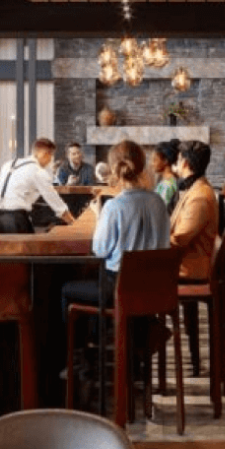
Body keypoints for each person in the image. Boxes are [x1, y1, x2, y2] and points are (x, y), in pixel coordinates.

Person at [62, 140, 170, 377]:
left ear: (113, 168)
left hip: (118, 289)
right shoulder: (159, 204)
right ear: (142, 165)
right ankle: (136, 355)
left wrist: (100, 217)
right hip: (153, 290)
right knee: (101, 284)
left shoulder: (114, 207)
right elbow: (165, 244)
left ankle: (80, 359)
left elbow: (99, 250)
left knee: (68, 290)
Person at [0, 137, 76, 233]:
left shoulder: (8, 164)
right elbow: (56, 203)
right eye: (51, 156)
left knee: (2, 248)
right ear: (45, 154)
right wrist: (75, 226)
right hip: (15, 218)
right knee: (29, 248)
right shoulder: (38, 171)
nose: (50, 160)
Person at [170, 140, 218, 281]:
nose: (176, 164)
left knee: (137, 271)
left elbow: (180, 239)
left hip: (188, 267)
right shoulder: (196, 188)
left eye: (178, 160)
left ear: (184, 163)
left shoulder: (200, 196)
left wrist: (152, 244)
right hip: (185, 261)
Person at [151, 140, 180, 214]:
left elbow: (158, 212)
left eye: (155, 160)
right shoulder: (164, 181)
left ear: (165, 161)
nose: (152, 163)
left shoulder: (168, 185)